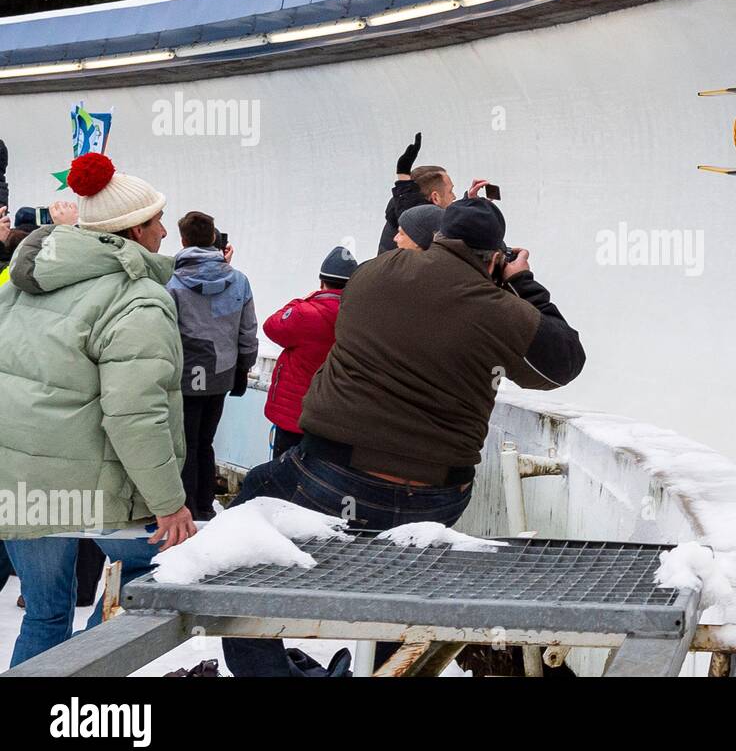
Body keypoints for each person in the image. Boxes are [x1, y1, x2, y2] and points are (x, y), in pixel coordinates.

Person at [223, 197, 586, 676]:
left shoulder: (370, 277)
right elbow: (562, 364)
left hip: (331, 475)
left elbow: (410, 290)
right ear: (495, 257)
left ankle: (266, 670)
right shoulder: (503, 312)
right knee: (397, 575)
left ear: (435, 238)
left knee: (246, 515)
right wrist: (520, 284)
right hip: (437, 496)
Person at [0, 152, 195, 667]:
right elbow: (135, 413)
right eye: (156, 221)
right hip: (94, 489)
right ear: (131, 231)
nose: (163, 232)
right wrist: (169, 503)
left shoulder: (24, 285)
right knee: (138, 588)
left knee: (43, 615)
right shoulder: (137, 299)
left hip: (17, 484)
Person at [166, 211, 258, 520]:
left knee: (186, 442)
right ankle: (206, 504)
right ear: (214, 238)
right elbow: (248, 329)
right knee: (206, 440)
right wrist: (244, 366)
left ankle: (187, 505)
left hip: (185, 373)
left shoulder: (172, 282)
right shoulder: (238, 279)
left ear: (183, 240)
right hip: (221, 372)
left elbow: (166, 330)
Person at [262, 246, 358, 458]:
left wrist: (302, 301)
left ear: (322, 281)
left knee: (284, 474)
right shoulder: (358, 315)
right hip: (332, 415)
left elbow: (272, 327)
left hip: (294, 413)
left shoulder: (305, 312)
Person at [376, 132, 491, 253]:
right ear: (435, 197)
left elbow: (410, 205)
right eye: (450, 191)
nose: (454, 196)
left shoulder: (400, 209)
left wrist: (469, 200)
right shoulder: (421, 223)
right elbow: (417, 214)